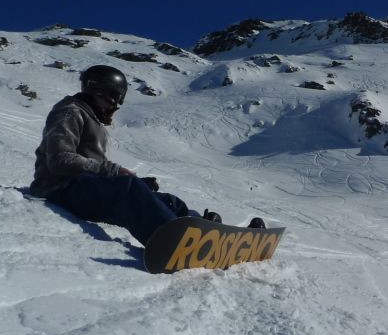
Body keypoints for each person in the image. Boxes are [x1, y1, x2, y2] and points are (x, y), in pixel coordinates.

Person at [29, 64, 263, 245]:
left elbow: (94, 165)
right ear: (96, 90)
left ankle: (205, 233)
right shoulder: (70, 112)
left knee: (169, 201)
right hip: (58, 188)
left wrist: (123, 178)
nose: (116, 104)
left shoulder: (91, 118)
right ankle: (179, 242)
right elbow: (60, 160)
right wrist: (116, 173)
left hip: (82, 186)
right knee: (128, 189)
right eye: (113, 97)